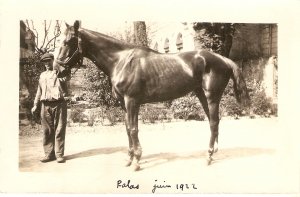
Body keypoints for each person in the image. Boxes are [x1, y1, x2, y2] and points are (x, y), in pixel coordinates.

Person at [31, 53, 68, 163]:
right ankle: (49, 154)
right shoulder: (42, 75)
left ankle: (59, 155)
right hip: (45, 105)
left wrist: (59, 71)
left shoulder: (60, 73)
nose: (46, 63)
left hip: (59, 104)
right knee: (47, 131)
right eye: (44, 62)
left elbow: (66, 78)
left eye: (48, 61)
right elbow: (39, 91)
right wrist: (35, 105)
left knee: (60, 129)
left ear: (53, 60)